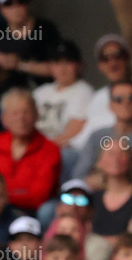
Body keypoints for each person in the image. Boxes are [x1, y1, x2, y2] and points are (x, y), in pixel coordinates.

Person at [0, 0, 60, 140]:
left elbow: (57, 69)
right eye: (8, 4)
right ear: (1, 9)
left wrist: (20, 65)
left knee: (16, 115)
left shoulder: (45, 29)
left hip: (30, 96)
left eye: (20, 2)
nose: (15, 9)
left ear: (28, 4)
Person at [0, 89, 62, 215]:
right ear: (3, 118)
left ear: (36, 115)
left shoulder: (50, 149)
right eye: (15, 113)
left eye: (26, 112)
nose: (21, 118)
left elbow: (39, 196)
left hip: (30, 212)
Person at [73, 80, 132, 186]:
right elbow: (79, 176)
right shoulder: (97, 135)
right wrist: (116, 179)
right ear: (110, 105)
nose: (125, 103)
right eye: (119, 99)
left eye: (131, 98)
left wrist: (101, 178)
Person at [32, 40, 93, 174]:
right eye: (57, 62)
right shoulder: (41, 92)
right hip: (35, 147)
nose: (62, 68)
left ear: (78, 64)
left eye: (68, 62)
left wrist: (40, 149)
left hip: (61, 150)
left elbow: (73, 130)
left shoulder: (83, 91)